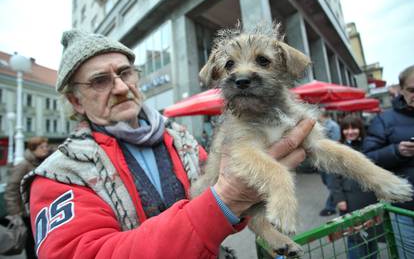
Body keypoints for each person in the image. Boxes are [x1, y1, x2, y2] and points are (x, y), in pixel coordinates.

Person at [19, 30, 315, 259]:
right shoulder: (60, 174)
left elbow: (234, 216)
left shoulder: (181, 138)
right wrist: (226, 199)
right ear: (75, 101)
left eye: (124, 73)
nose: (121, 87)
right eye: (99, 81)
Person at [363, 64, 414, 258]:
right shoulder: (385, 120)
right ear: (401, 90)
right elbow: (367, 159)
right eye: (411, 90)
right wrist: (397, 151)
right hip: (405, 208)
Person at [331, 115, 379, 259]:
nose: (350, 131)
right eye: (346, 129)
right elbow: (333, 177)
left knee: (373, 234)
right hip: (350, 200)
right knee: (355, 238)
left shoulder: (369, 145)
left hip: (370, 198)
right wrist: (339, 199)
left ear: (360, 129)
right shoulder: (337, 148)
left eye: (354, 128)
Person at [4, 136, 50, 259]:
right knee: (31, 244)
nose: (46, 149)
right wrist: (15, 213)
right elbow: (11, 189)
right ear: (33, 148)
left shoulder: (41, 162)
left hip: (39, 210)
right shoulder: (23, 165)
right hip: (26, 213)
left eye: (46, 146)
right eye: (42, 147)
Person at [318, 110, 341, 216]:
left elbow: (336, 142)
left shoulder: (333, 126)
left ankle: (330, 207)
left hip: (330, 160)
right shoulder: (320, 125)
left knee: (332, 185)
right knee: (327, 182)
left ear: (322, 115)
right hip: (322, 160)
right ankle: (339, 197)